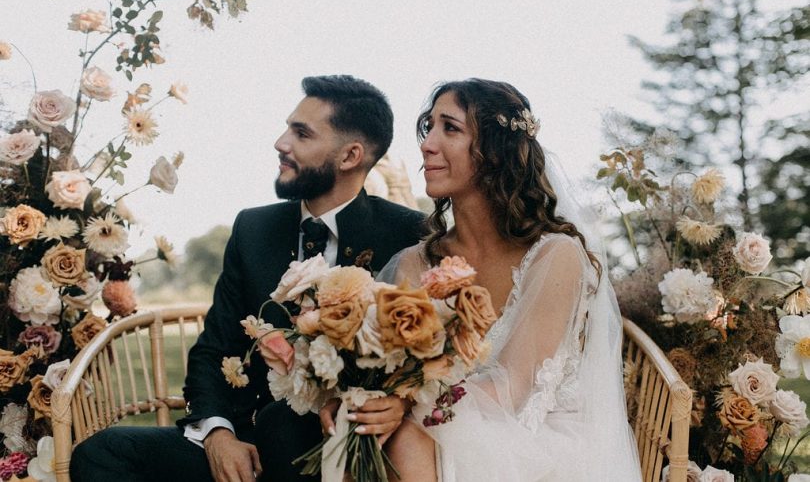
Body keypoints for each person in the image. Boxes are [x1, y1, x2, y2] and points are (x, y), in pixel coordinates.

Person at [70, 75, 426, 482]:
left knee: (285, 427)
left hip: (333, 451)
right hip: (245, 447)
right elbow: (212, 350)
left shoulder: (408, 234)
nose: (281, 143)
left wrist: (399, 401)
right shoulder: (253, 229)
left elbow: (433, 354)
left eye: (301, 133)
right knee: (104, 454)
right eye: (287, 127)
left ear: (349, 156)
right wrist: (219, 435)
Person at [370, 78, 641, 480]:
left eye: (451, 128)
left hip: (532, 443)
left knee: (406, 438)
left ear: (496, 151)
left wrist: (407, 405)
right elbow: (387, 366)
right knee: (365, 432)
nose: (428, 144)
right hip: (438, 427)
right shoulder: (417, 263)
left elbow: (514, 387)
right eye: (429, 127)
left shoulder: (553, 256)